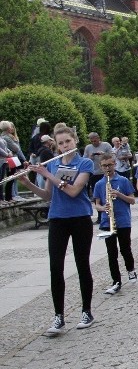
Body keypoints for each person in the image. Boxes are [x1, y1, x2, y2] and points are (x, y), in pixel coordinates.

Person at [15, 123, 96, 333]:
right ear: (57, 146)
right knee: (55, 268)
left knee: (82, 264)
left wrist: (48, 174)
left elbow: (74, 191)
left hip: (79, 218)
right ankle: (58, 316)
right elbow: (48, 195)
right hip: (58, 218)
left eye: (68, 141)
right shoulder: (52, 164)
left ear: (75, 141)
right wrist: (28, 182)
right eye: (60, 143)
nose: (65, 145)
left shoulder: (85, 163)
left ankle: (86, 311)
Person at [93, 152, 137, 294]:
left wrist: (119, 195)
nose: (107, 168)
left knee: (125, 249)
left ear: (114, 164)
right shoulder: (99, 184)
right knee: (111, 253)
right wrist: (102, 208)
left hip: (123, 220)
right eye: (104, 166)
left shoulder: (123, 180)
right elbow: (97, 204)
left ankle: (131, 269)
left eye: (110, 165)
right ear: (101, 166)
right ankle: (116, 281)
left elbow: (132, 200)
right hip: (107, 222)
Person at [1, 121, 26, 202]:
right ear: (8, 128)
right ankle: (11, 195)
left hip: (13, 158)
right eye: (10, 127)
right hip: (11, 159)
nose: (12, 128)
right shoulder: (6, 137)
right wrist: (15, 142)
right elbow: (16, 148)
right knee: (11, 177)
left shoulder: (9, 137)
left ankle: (14, 194)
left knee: (14, 177)